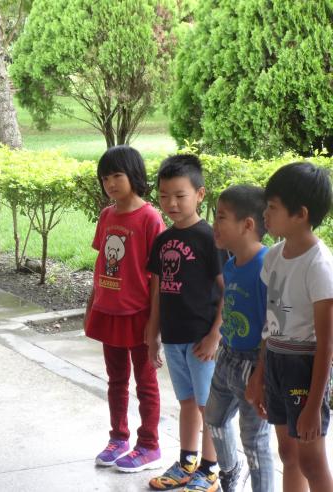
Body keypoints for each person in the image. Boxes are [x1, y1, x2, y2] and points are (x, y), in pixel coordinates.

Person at [246, 162, 333, 492]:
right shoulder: (273, 257)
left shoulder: (319, 265)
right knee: (288, 453)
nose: (265, 214)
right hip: (276, 361)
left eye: (272, 207)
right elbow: (271, 323)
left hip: (304, 367)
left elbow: (326, 344)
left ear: (301, 214)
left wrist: (313, 406)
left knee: (311, 461)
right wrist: (259, 374)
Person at [84, 146, 165, 472]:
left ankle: (149, 445)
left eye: (117, 175)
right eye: (105, 178)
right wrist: (92, 303)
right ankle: (118, 438)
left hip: (139, 314)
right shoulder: (107, 216)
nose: (111, 184)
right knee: (116, 379)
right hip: (109, 311)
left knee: (146, 383)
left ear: (134, 175)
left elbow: (158, 277)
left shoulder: (150, 218)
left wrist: (154, 325)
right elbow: (101, 263)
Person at [146, 154, 224, 492]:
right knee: (187, 402)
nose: (171, 203)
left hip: (202, 340)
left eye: (180, 195)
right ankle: (187, 462)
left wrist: (215, 335)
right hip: (174, 337)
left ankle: (210, 468)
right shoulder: (162, 241)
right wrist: (153, 335)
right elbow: (157, 292)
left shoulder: (210, 239)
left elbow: (228, 291)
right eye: (164, 195)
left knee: (208, 406)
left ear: (200, 194)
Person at [204, 185, 274, 492]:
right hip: (227, 355)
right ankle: (231, 472)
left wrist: (262, 373)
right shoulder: (231, 265)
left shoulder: (267, 266)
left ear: (247, 224)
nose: (215, 224)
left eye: (221, 217)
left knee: (255, 442)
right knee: (214, 419)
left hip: (254, 365)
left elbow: (272, 325)